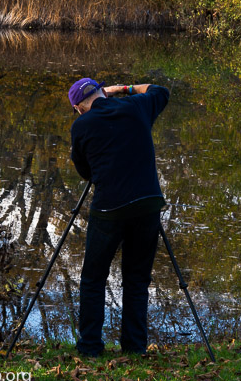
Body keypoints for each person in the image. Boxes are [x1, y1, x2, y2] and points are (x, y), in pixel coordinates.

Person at [68, 78, 170, 357]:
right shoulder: (138, 106)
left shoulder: (81, 126)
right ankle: (134, 348)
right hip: (148, 204)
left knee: (93, 279)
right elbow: (160, 90)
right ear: (103, 92)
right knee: (137, 279)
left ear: (78, 108)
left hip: (109, 209)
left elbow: (85, 171)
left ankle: (90, 347)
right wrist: (124, 90)